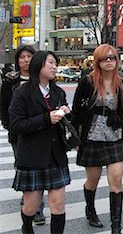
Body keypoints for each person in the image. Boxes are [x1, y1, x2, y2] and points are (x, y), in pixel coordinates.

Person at [72, 44, 123, 234]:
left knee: (116, 179)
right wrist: (75, 138)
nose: (108, 61)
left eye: (112, 58)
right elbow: (76, 111)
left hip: (115, 137)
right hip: (92, 137)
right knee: (93, 179)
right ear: (97, 61)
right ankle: (90, 209)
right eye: (104, 59)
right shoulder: (87, 82)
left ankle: (116, 226)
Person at [9, 51, 71, 234]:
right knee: (31, 206)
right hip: (32, 155)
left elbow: (65, 123)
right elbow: (15, 124)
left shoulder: (58, 92)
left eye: (55, 63)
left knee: (58, 204)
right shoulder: (22, 92)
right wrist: (46, 119)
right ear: (39, 65)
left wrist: (66, 113)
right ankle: (26, 227)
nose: (54, 67)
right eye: (50, 63)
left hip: (55, 155)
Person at [0, 46, 47, 226]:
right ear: (17, 60)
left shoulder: (41, 79)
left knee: (40, 166)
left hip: (41, 130)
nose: (26, 60)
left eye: (29, 57)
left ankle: (38, 208)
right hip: (19, 132)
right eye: (22, 57)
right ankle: (29, 198)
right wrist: (8, 124)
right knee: (24, 166)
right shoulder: (11, 81)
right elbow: (3, 106)